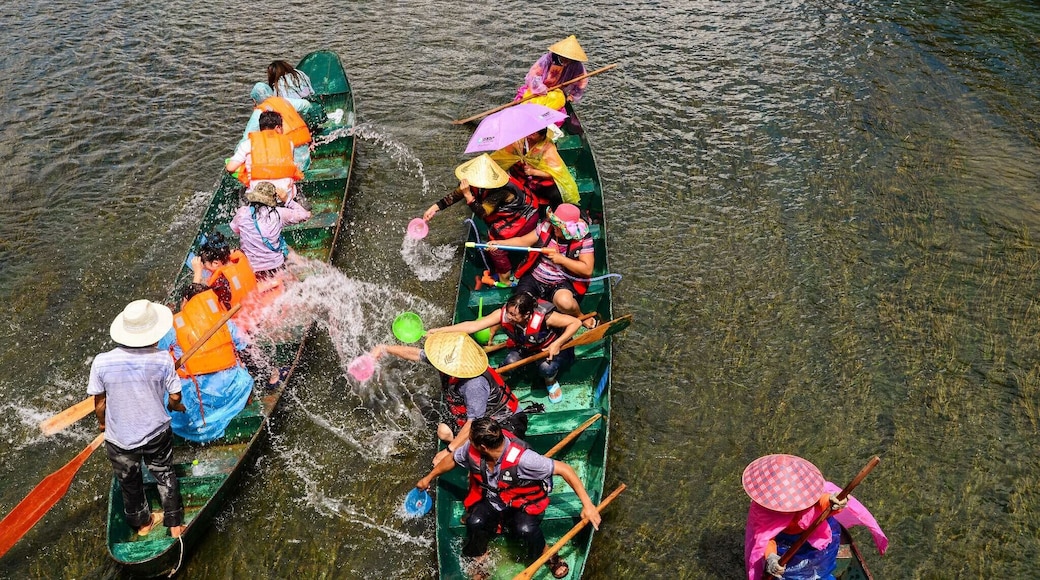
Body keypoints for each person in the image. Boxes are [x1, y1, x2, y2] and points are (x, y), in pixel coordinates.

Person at [415, 417, 601, 579]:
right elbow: (453, 460)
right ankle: (481, 557)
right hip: (495, 498)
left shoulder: (525, 460)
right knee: (474, 521)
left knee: (525, 529)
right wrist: (429, 477)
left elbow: (565, 469)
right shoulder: (473, 450)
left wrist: (588, 505)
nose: (466, 443)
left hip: (522, 501)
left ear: (483, 447)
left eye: (469, 440)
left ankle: (546, 553)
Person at [88, 299, 186, 538]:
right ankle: (175, 526)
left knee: (129, 482)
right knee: (164, 473)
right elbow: (175, 395)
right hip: (156, 433)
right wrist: (176, 406)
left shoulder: (101, 361)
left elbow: (99, 403)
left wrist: (103, 425)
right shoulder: (162, 358)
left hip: (120, 439)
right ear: (153, 334)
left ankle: (143, 524)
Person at [369, 331, 527, 465]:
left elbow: (474, 422)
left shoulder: (474, 385)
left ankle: (474, 458)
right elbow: (416, 354)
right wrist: (385, 349)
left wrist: (449, 451)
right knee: (443, 431)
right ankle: (466, 452)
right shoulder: (446, 360)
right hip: (478, 417)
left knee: (487, 455)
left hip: (503, 422)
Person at [743, 454, 889, 580]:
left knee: (821, 570)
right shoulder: (762, 509)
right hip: (785, 544)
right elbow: (765, 538)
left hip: (818, 533)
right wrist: (771, 558)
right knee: (788, 573)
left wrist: (834, 501)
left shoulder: (810, 492)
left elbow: (824, 501)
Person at [429, 292, 582, 404]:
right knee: (509, 361)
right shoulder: (503, 314)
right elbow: (473, 326)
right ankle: (498, 385)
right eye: (508, 312)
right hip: (524, 347)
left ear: (527, 314)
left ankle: (550, 381)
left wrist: (557, 344)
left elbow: (575, 323)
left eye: (514, 315)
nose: (508, 317)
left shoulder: (546, 317)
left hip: (548, 349)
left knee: (546, 369)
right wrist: (440, 331)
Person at [158, 284, 255, 443]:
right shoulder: (224, 320)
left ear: (184, 302)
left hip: (194, 398)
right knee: (243, 374)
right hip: (229, 391)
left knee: (164, 391)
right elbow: (243, 345)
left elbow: (158, 361)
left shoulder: (172, 327)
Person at [423, 154, 538, 284]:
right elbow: (455, 195)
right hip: (508, 212)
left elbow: (482, 213)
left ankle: (505, 279)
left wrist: (468, 195)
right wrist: (434, 208)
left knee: (496, 247)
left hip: (524, 215)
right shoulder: (472, 182)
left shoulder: (501, 190)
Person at [490, 203, 596, 326]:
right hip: (534, 277)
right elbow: (522, 241)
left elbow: (587, 269)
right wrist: (499, 243)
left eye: (557, 225)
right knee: (519, 304)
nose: (553, 226)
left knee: (565, 302)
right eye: (553, 222)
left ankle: (580, 317)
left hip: (561, 281)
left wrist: (562, 259)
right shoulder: (546, 227)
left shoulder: (583, 238)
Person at [229, 181, 311, 279]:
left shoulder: (242, 212)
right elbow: (305, 215)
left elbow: (237, 230)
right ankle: (303, 267)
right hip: (275, 267)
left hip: (251, 268)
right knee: (282, 244)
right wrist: (287, 200)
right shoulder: (279, 214)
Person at [225, 110, 305, 202]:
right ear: (277, 127)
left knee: (243, 186)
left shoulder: (248, 144)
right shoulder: (289, 143)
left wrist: (244, 171)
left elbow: (230, 168)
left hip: (259, 197)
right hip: (284, 196)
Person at [491, 128, 580, 208]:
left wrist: (533, 172)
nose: (529, 135)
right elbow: (505, 155)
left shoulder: (547, 148)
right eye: (529, 132)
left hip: (539, 178)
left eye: (533, 134)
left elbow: (554, 172)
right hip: (519, 175)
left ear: (541, 137)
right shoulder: (520, 140)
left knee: (555, 194)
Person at [241, 82, 314, 171]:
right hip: (305, 155)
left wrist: (236, 158)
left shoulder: (259, 112)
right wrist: (303, 118)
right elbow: (306, 104)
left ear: (255, 100)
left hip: (288, 157)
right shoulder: (285, 101)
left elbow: (245, 139)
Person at [514, 35, 589, 110]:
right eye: (565, 58)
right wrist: (541, 89)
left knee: (554, 105)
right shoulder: (547, 59)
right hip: (540, 88)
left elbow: (582, 80)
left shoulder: (576, 64)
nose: (567, 60)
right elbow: (534, 74)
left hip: (557, 91)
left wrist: (573, 96)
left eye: (569, 59)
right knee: (530, 103)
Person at [190, 231, 258, 312]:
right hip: (253, 304)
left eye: (205, 265)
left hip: (237, 319)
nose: (204, 267)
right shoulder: (238, 258)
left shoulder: (220, 283)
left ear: (215, 263)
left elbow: (192, 304)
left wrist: (197, 273)